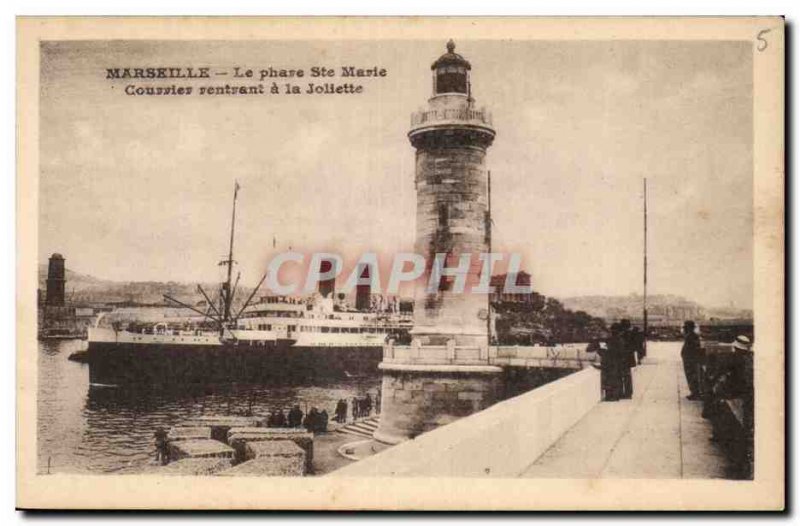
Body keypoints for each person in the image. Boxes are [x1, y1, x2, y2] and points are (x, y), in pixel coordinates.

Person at [681, 320, 704, 400]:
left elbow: (693, 349)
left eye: (685, 328)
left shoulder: (691, 336)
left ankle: (695, 393)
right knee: (691, 376)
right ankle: (694, 392)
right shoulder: (692, 335)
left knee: (691, 376)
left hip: (690, 360)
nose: (684, 330)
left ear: (688, 328)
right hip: (689, 359)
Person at [619, 319, 635, 398]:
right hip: (629, 357)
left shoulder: (623, 335)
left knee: (623, 375)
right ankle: (628, 393)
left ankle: (625, 393)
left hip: (624, 357)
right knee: (627, 375)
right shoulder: (631, 334)